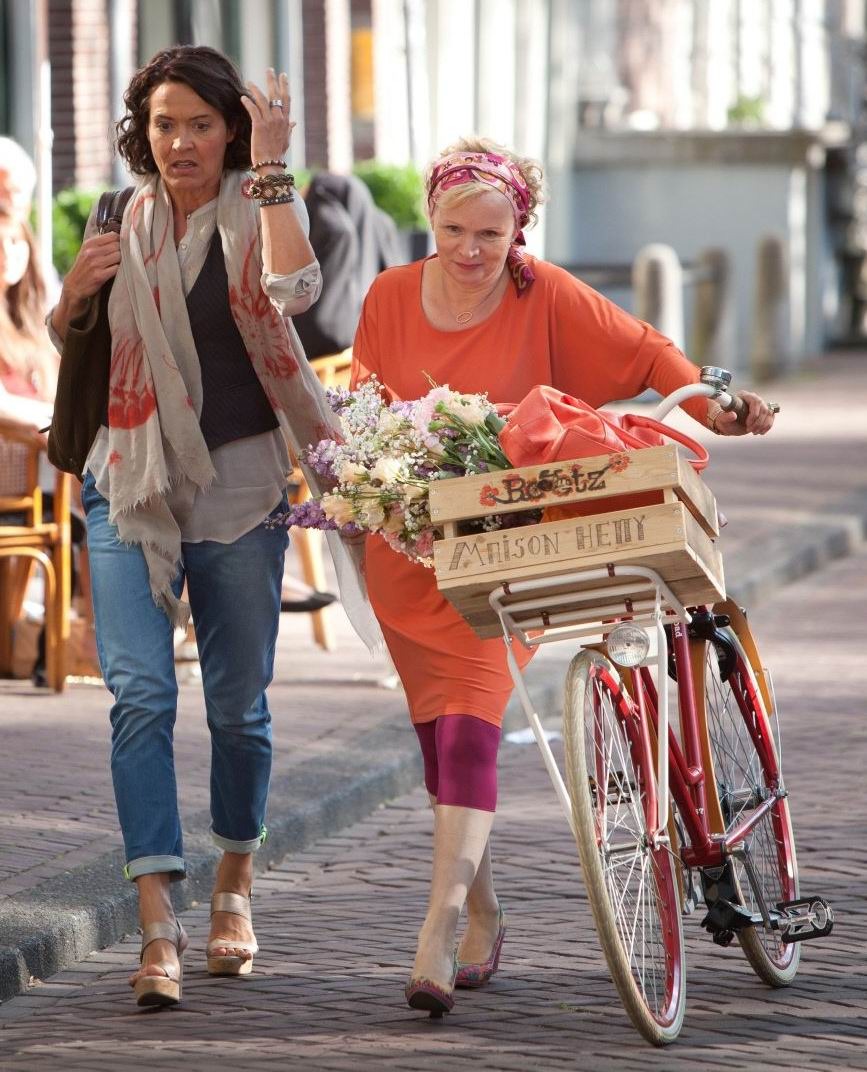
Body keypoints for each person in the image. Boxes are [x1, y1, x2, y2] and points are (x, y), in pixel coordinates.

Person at [350, 136, 777, 1016]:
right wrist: (367, 486)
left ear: (518, 230)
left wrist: (718, 402)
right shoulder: (389, 295)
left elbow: (647, 353)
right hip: (410, 548)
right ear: (430, 221)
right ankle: (483, 911)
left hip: (504, 545)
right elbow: (361, 406)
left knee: (468, 733)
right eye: (453, 231)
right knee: (437, 741)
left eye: (490, 233)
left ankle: (436, 930)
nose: (470, 250)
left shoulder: (541, 292)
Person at [48, 45, 341, 1009]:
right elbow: (72, 338)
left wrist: (274, 165)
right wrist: (74, 295)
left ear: (232, 131)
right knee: (138, 696)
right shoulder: (118, 217)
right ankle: (156, 922)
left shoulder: (258, 206)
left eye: (201, 125)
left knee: (236, 709)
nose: (180, 142)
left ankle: (234, 887)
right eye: (164, 124)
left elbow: (295, 291)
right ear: (145, 131)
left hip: (239, 485)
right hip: (126, 480)